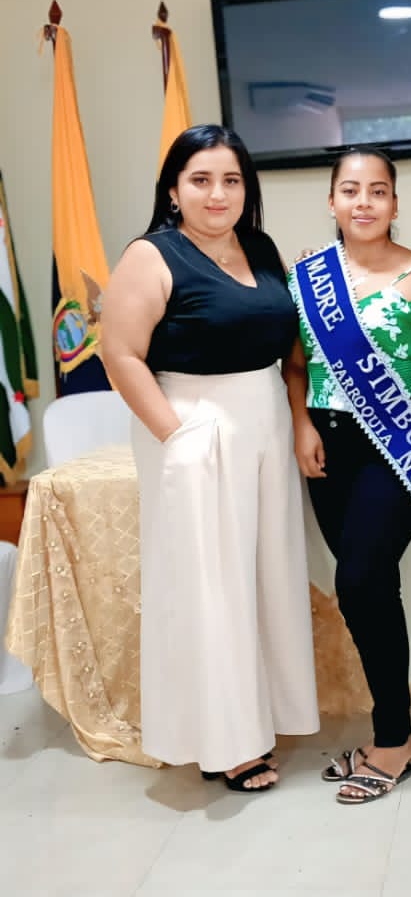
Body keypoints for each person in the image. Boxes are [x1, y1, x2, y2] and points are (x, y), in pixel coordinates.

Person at [101, 124, 319, 791]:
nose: (217, 194)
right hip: (193, 423)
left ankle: (262, 716)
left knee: (266, 576)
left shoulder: (260, 247)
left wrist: (297, 420)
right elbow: (120, 354)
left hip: (265, 420)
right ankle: (224, 744)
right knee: (210, 588)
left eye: (231, 180)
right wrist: (178, 436)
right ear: (173, 190)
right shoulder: (152, 255)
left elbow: (286, 345)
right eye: (200, 180)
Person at [284, 149, 411, 804]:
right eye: (350, 190)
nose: (363, 202)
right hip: (327, 445)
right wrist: (301, 425)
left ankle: (393, 738)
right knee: (368, 589)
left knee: (360, 579)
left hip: (399, 443)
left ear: (395, 203)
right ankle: (389, 729)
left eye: (377, 191)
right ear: (331, 201)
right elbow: (295, 367)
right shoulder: (306, 277)